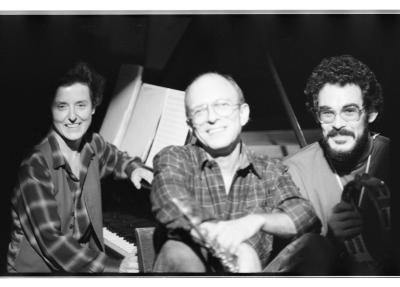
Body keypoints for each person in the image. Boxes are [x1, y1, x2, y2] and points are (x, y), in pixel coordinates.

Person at [150, 72, 321, 273]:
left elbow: (305, 214)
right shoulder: (175, 157)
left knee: (316, 246)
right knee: (177, 251)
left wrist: (256, 221)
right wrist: (238, 248)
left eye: (221, 105)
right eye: (199, 111)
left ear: (243, 114)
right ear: (190, 126)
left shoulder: (270, 170)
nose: (212, 118)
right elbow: (171, 200)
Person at [7, 62, 153, 273]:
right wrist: (113, 266)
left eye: (81, 105)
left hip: (78, 264)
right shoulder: (35, 167)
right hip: (37, 274)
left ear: (93, 106)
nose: (73, 116)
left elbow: (115, 157)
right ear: (51, 108)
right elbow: (52, 242)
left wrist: (133, 168)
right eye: (62, 106)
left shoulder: (93, 144)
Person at [284, 55, 392, 275]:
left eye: (349, 111)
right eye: (327, 113)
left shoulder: (391, 157)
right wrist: (328, 241)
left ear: (371, 113)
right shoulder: (294, 173)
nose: (338, 124)